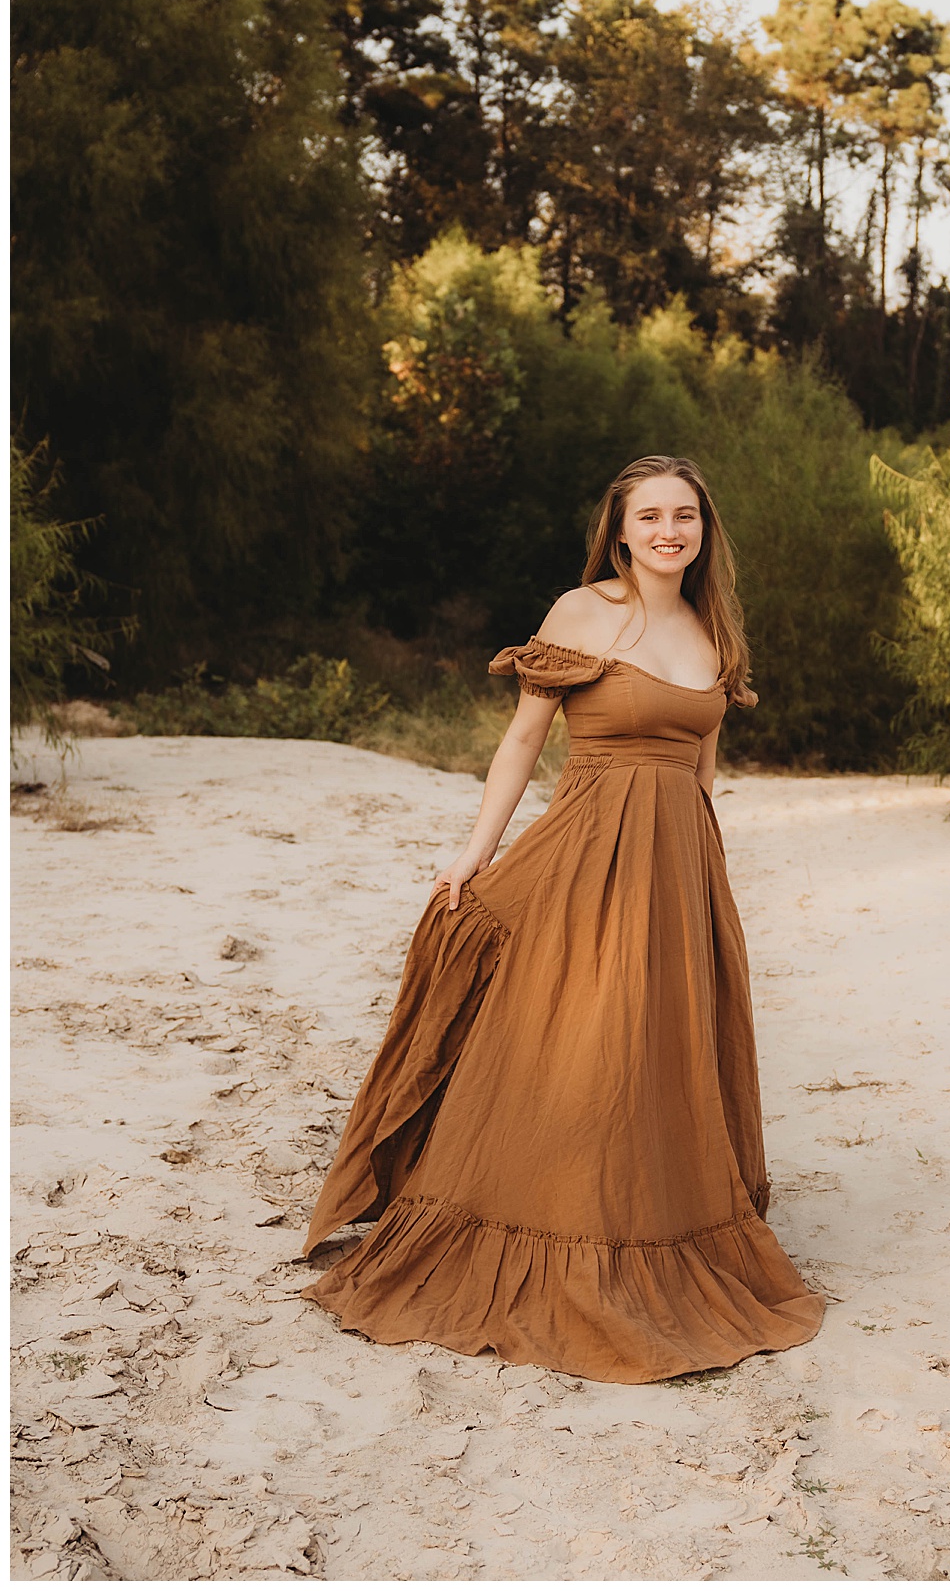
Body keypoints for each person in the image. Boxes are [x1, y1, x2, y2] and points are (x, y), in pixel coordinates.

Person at [300, 455, 824, 1383]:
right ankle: (556, 1216)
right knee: (587, 1040)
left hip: (681, 865)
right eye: (651, 516)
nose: (670, 530)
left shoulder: (714, 631)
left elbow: (701, 769)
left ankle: (656, 1216)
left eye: (686, 516)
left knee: (660, 1046)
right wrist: (477, 852)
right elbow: (522, 741)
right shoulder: (581, 612)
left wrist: (704, 878)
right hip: (588, 849)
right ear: (620, 531)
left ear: (706, 531)